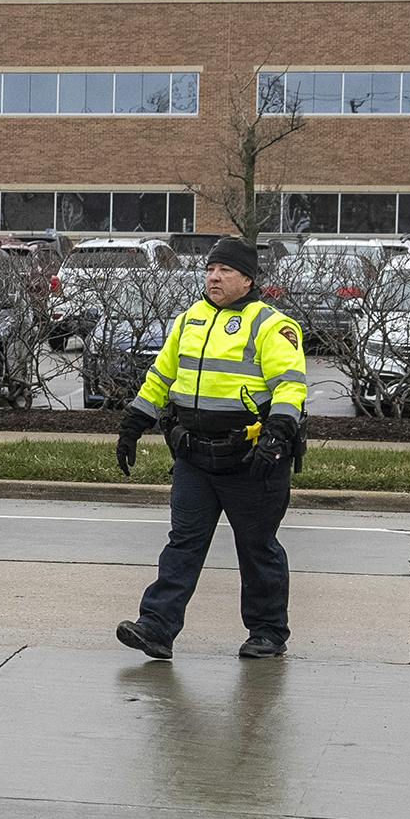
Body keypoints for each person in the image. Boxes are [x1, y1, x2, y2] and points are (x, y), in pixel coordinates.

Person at [112, 236, 309, 661]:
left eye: (225, 271)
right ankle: (157, 627)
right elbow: (161, 376)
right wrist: (134, 423)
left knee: (257, 546)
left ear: (247, 279)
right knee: (183, 542)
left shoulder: (272, 325)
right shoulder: (188, 320)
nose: (214, 277)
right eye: (210, 269)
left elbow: (290, 386)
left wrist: (278, 434)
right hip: (195, 456)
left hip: (251, 459)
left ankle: (268, 632)